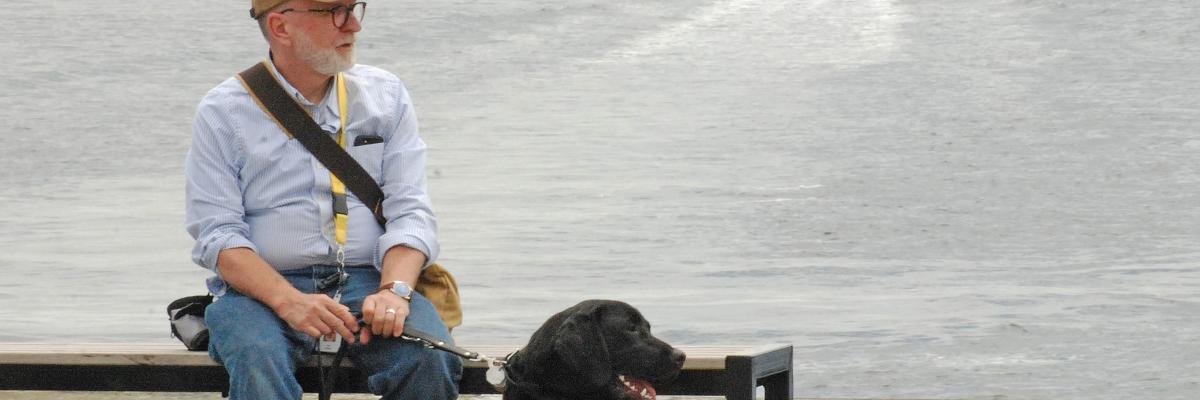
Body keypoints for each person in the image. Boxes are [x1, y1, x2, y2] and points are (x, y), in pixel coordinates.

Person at [184, 0, 461, 398]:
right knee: (256, 355)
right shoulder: (223, 112)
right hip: (261, 291)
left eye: (354, 8)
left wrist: (395, 291)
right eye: (334, 11)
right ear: (281, 27)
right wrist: (289, 301)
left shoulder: (386, 95)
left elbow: (410, 214)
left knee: (430, 359)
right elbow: (219, 236)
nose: (353, 26)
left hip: (370, 279)